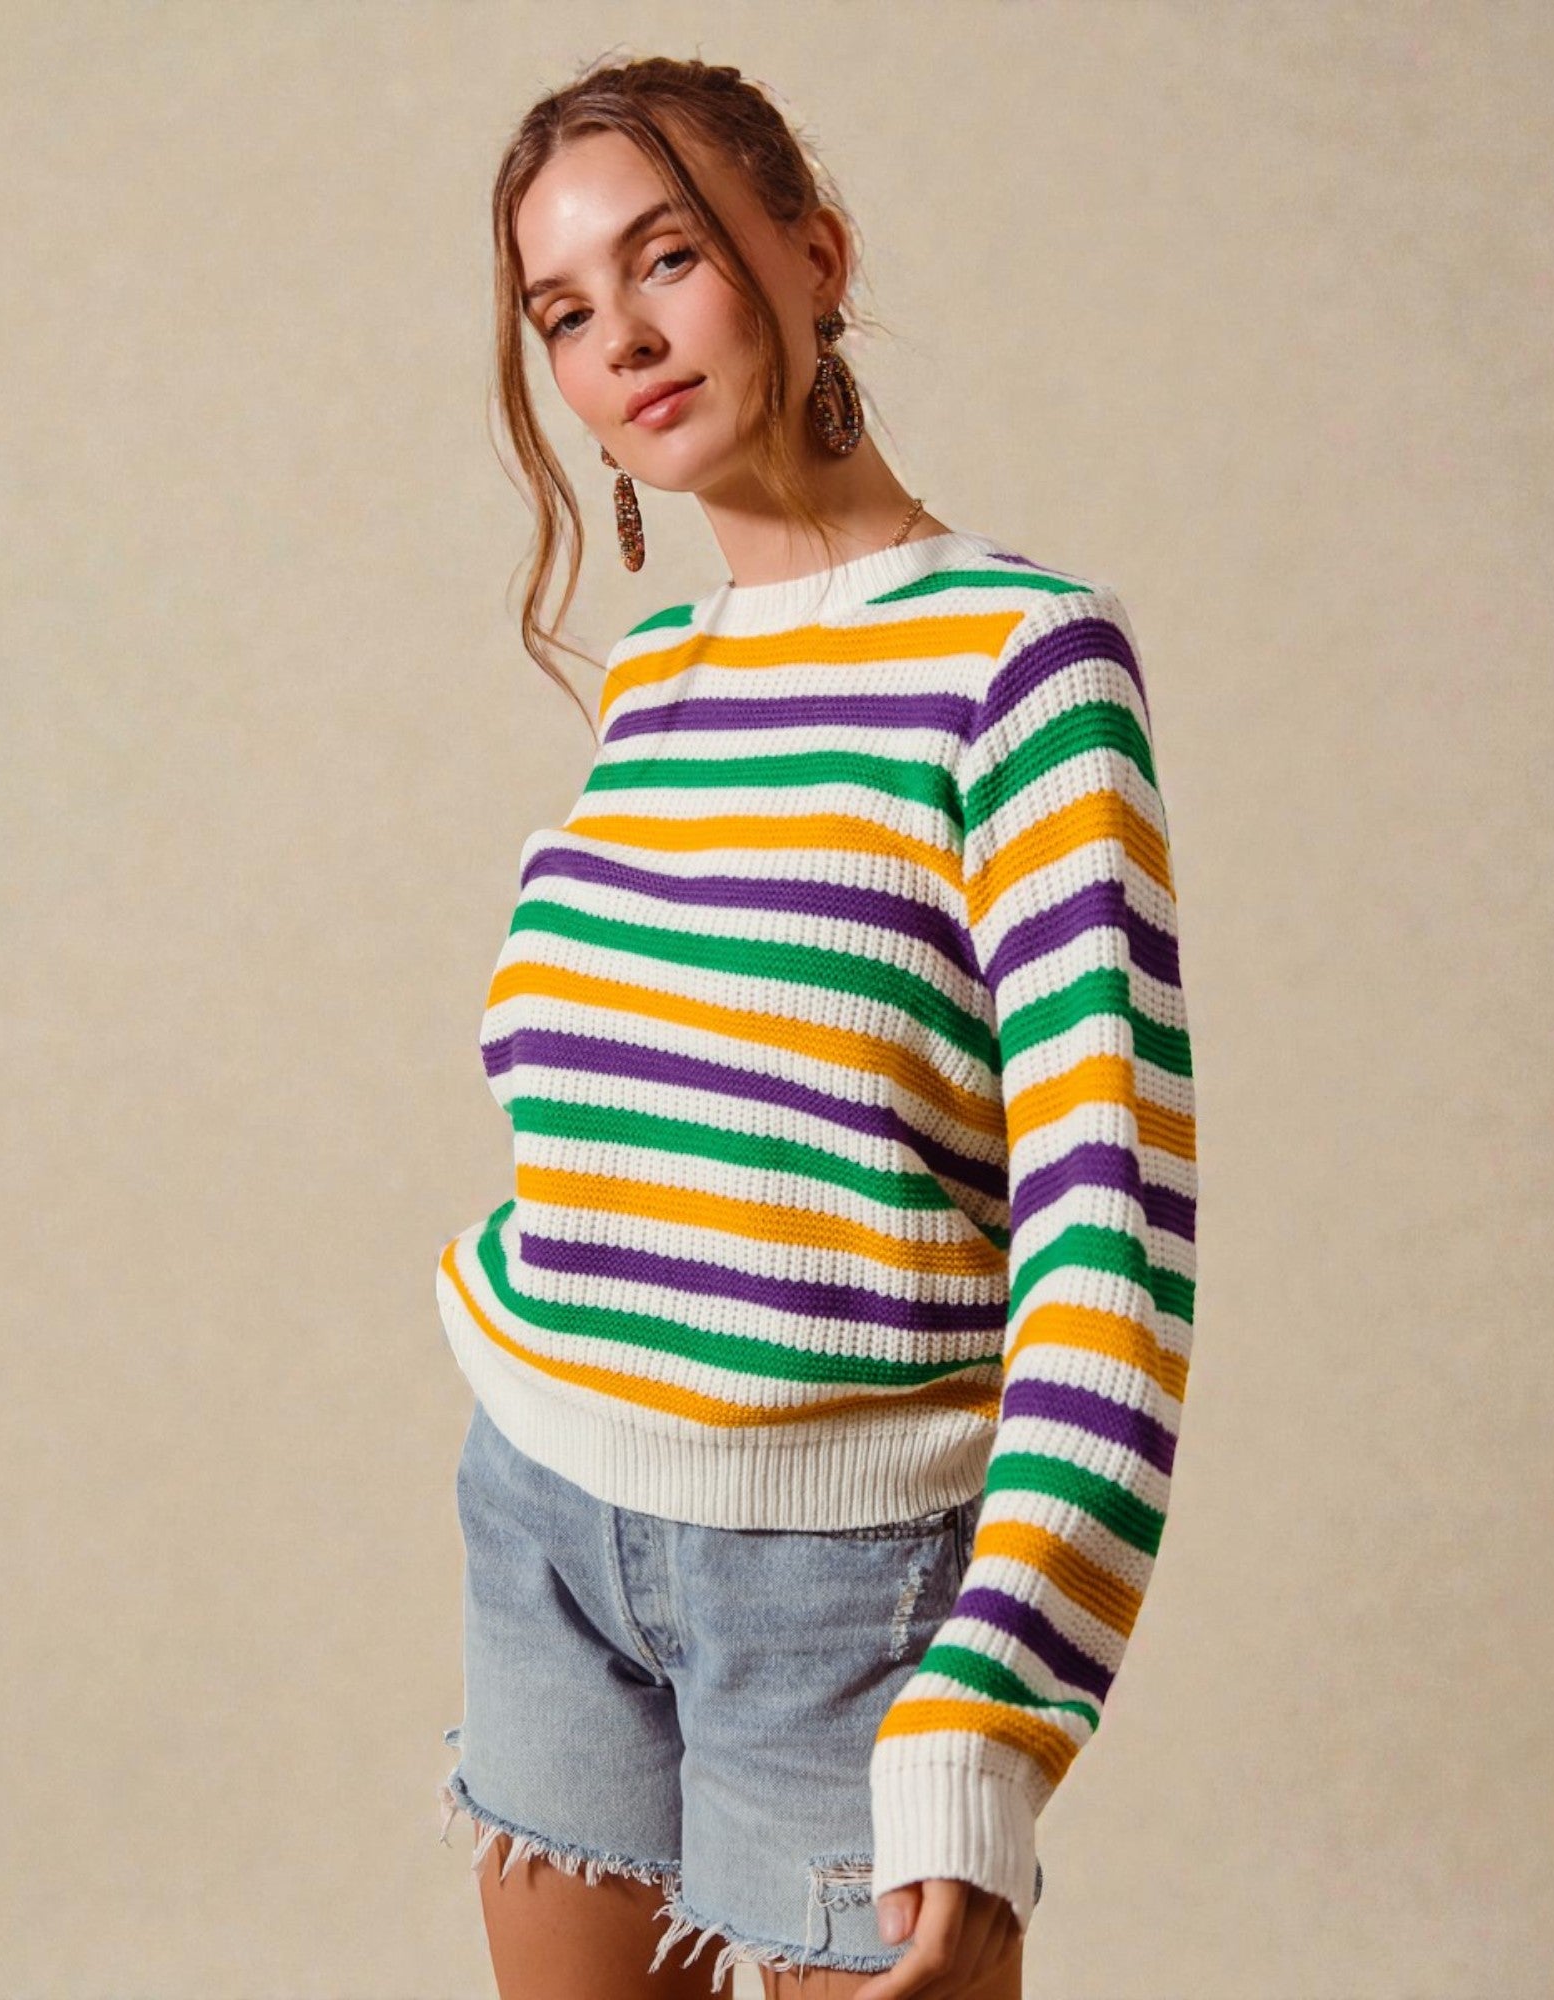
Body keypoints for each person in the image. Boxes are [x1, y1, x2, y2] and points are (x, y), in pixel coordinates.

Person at [433, 52, 1199, 2000]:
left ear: (810, 249)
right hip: (551, 1525)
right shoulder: (663, 671)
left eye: (666, 256)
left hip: (846, 1592)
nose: (621, 338)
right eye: (563, 312)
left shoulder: (1020, 662)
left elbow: (1106, 1249)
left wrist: (991, 1700)